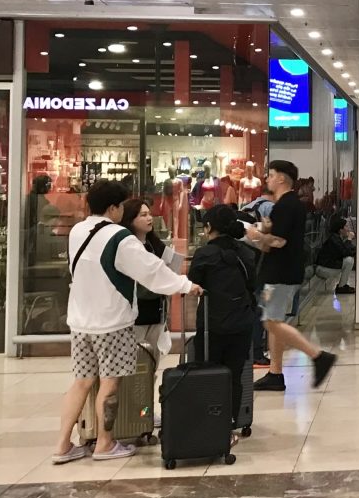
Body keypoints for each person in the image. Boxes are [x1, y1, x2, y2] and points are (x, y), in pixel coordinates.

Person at [52, 180, 199, 465]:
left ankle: (62, 445)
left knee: (81, 383)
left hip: (80, 321)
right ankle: (105, 443)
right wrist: (185, 285)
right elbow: (152, 271)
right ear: (113, 208)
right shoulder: (120, 237)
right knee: (110, 384)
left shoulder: (78, 231)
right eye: (120, 205)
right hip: (112, 322)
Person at [249, 160, 337, 393]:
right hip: (282, 271)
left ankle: (317, 356)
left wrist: (254, 233)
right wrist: (266, 233)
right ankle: (275, 373)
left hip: (280, 273)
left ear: (281, 178)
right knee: (274, 321)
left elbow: (278, 241)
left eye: (271, 174)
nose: (267, 178)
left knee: (271, 321)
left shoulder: (286, 206)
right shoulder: (287, 205)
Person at [187, 204, 261, 441]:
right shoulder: (246, 253)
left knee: (208, 374)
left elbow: (193, 283)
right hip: (241, 322)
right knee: (234, 375)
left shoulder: (204, 254)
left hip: (212, 325)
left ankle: (208, 424)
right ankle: (229, 424)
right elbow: (253, 284)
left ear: (209, 227)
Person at [120, 197, 182, 356]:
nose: (149, 218)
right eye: (143, 215)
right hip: (133, 314)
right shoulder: (126, 245)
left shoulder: (155, 244)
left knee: (153, 359)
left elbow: (171, 268)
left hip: (156, 312)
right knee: (133, 360)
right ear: (130, 219)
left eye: (149, 214)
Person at [315, 213, 357, 294]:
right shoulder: (334, 239)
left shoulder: (336, 238)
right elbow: (345, 252)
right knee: (349, 260)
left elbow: (348, 250)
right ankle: (342, 287)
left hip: (327, 267)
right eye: (346, 226)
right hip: (323, 269)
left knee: (349, 259)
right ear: (340, 230)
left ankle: (342, 285)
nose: (348, 229)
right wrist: (349, 239)